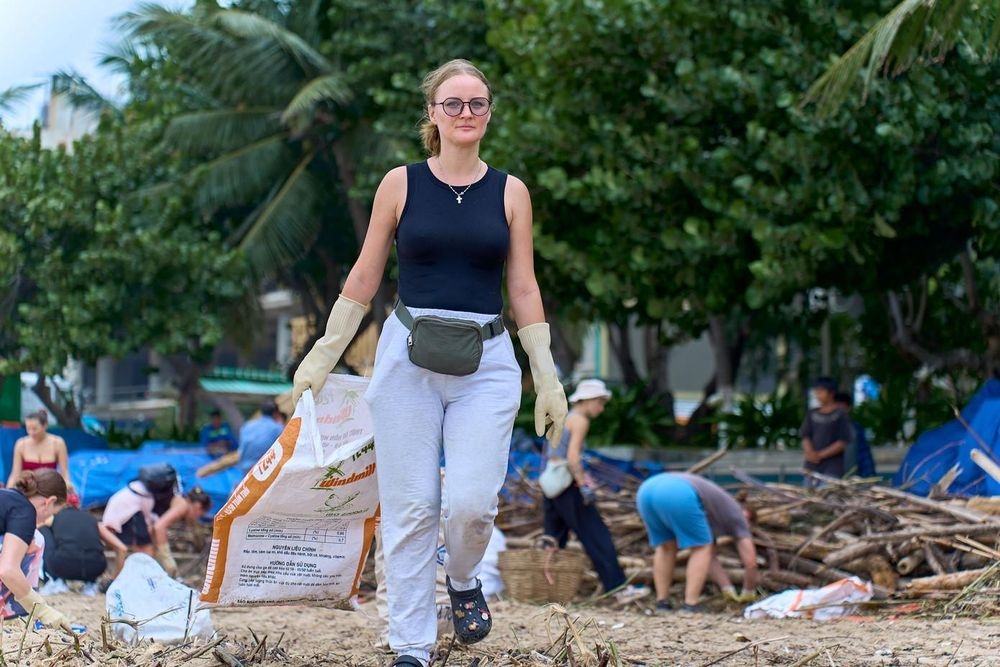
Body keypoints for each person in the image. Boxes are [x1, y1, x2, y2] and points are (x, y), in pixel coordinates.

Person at [290, 59, 567, 667]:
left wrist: (546, 374)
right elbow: (365, 274)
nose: (466, 113)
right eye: (453, 103)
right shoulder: (401, 184)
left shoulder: (511, 192)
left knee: (471, 505)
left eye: (477, 103)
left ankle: (463, 579)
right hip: (407, 359)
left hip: (487, 361)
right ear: (433, 114)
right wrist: (323, 352)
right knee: (412, 509)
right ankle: (411, 645)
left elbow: (523, 287)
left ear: (488, 113)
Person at [542, 379, 646, 603]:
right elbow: (573, 458)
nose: (601, 407)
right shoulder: (580, 420)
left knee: (553, 539)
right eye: (600, 402)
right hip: (568, 486)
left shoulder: (562, 417)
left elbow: (552, 455)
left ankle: (542, 589)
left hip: (551, 485)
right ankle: (617, 587)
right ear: (587, 401)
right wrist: (584, 485)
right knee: (597, 536)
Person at [636, 472, 758, 612]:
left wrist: (727, 588)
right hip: (678, 491)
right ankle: (690, 604)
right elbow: (751, 562)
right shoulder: (738, 515)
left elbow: (710, 558)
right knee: (701, 548)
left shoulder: (716, 511)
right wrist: (749, 592)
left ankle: (662, 603)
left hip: (647, 489)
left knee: (666, 548)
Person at [99, 469, 212, 578]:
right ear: (198, 506)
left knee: (146, 551)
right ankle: (130, 581)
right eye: (200, 514)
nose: (197, 518)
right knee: (145, 552)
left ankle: (136, 579)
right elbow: (159, 527)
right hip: (130, 507)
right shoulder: (183, 505)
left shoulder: (175, 498)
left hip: (130, 505)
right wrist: (166, 557)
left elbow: (153, 528)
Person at [0, 470, 73, 630]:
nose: (45, 520)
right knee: (37, 539)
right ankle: (15, 614)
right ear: (49, 502)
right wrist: (42, 610)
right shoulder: (25, 511)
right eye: (52, 514)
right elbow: (7, 569)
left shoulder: (6, 496)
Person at [37, 493, 109, 597]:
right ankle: (91, 584)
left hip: (64, 566)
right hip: (96, 568)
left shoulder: (55, 517)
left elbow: (38, 526)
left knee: (44, 530)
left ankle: (54, 581)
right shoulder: (90, 518)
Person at [801, 377, 853, 481]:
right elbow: (805, 436)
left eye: (821, 391)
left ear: (831, 393)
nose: (818, 394)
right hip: (811, 467)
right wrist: (810, 452)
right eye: (816, 391)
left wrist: (820, 455)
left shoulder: (840, 415)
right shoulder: (812, 414)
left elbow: (842, 442)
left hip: (832, 468)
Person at [8, 411, 71, 493]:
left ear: (45, 426)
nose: (31, 432)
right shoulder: (21, 444)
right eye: (28, 429)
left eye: (34, 429)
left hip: (50, 489)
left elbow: (64, 472)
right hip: (28, 490)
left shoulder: (58, 443)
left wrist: (67, 484)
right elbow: (15, 474)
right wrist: (8, 490)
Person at [834, 391, 876, 478]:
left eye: (842, 408)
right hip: (830, 477)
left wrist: (869, 475)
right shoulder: (824, 428)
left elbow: (864, 455)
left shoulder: (855, 429)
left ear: (848, 408)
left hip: (852, 477)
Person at [236, 401, 286, 475]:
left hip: (246, 470)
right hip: (265, 470)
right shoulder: (277, 428)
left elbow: (241, 450)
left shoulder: (246, 426)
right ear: (275, 413)